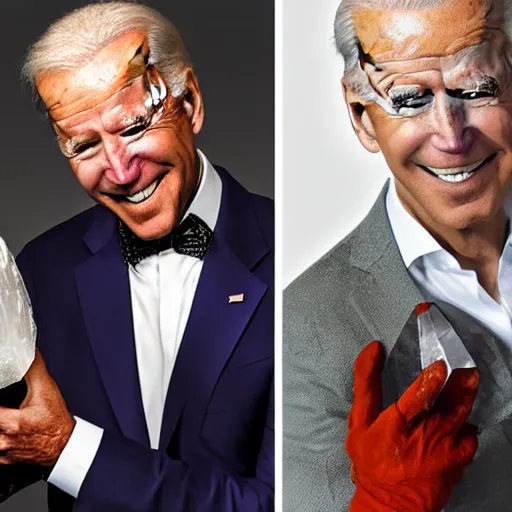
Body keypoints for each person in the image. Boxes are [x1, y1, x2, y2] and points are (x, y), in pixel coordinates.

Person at [0, 2, 274, 511]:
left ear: (189, 102)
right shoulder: (42, 271)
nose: (121, 171)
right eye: (84, 146)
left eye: (132, 128)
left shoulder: (296, 258)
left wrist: (68, 449)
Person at [284, 0, 512, 510]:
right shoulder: (301, 330)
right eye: (409, 99)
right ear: (362, 117)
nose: (452, 136)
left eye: (476, 88)